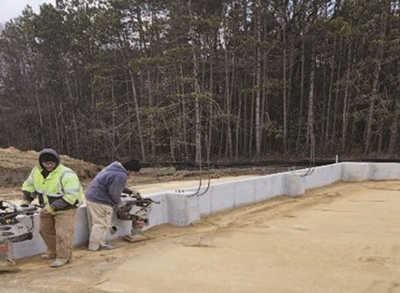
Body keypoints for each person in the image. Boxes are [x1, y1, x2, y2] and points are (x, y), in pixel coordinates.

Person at [21, 148, 83, 268]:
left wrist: (53, 207)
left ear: (57, 162)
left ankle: (63, 257)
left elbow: (72, 196)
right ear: (41, 163)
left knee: (63, 233)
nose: (49, 166)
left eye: (52, 163)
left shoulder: (66, 174)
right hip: (46, 207)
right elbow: (29, 185)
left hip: (65, 208)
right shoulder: (36, 172)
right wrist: (27, 199)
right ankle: (53, 252)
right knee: (45, 230)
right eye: (46, 163)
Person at [85, 159, 141, 251]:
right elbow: (114, 193)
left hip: (92, 197)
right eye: (134, 173)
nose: (133, 175)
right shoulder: (121, 175)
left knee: (98, 223)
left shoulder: (113, 169)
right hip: (100, 200)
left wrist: (130, 191)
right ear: (130, 170)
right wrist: (120, 205)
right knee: (101, 224)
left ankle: (99, 242)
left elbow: (115, 185)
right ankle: (95, 246)